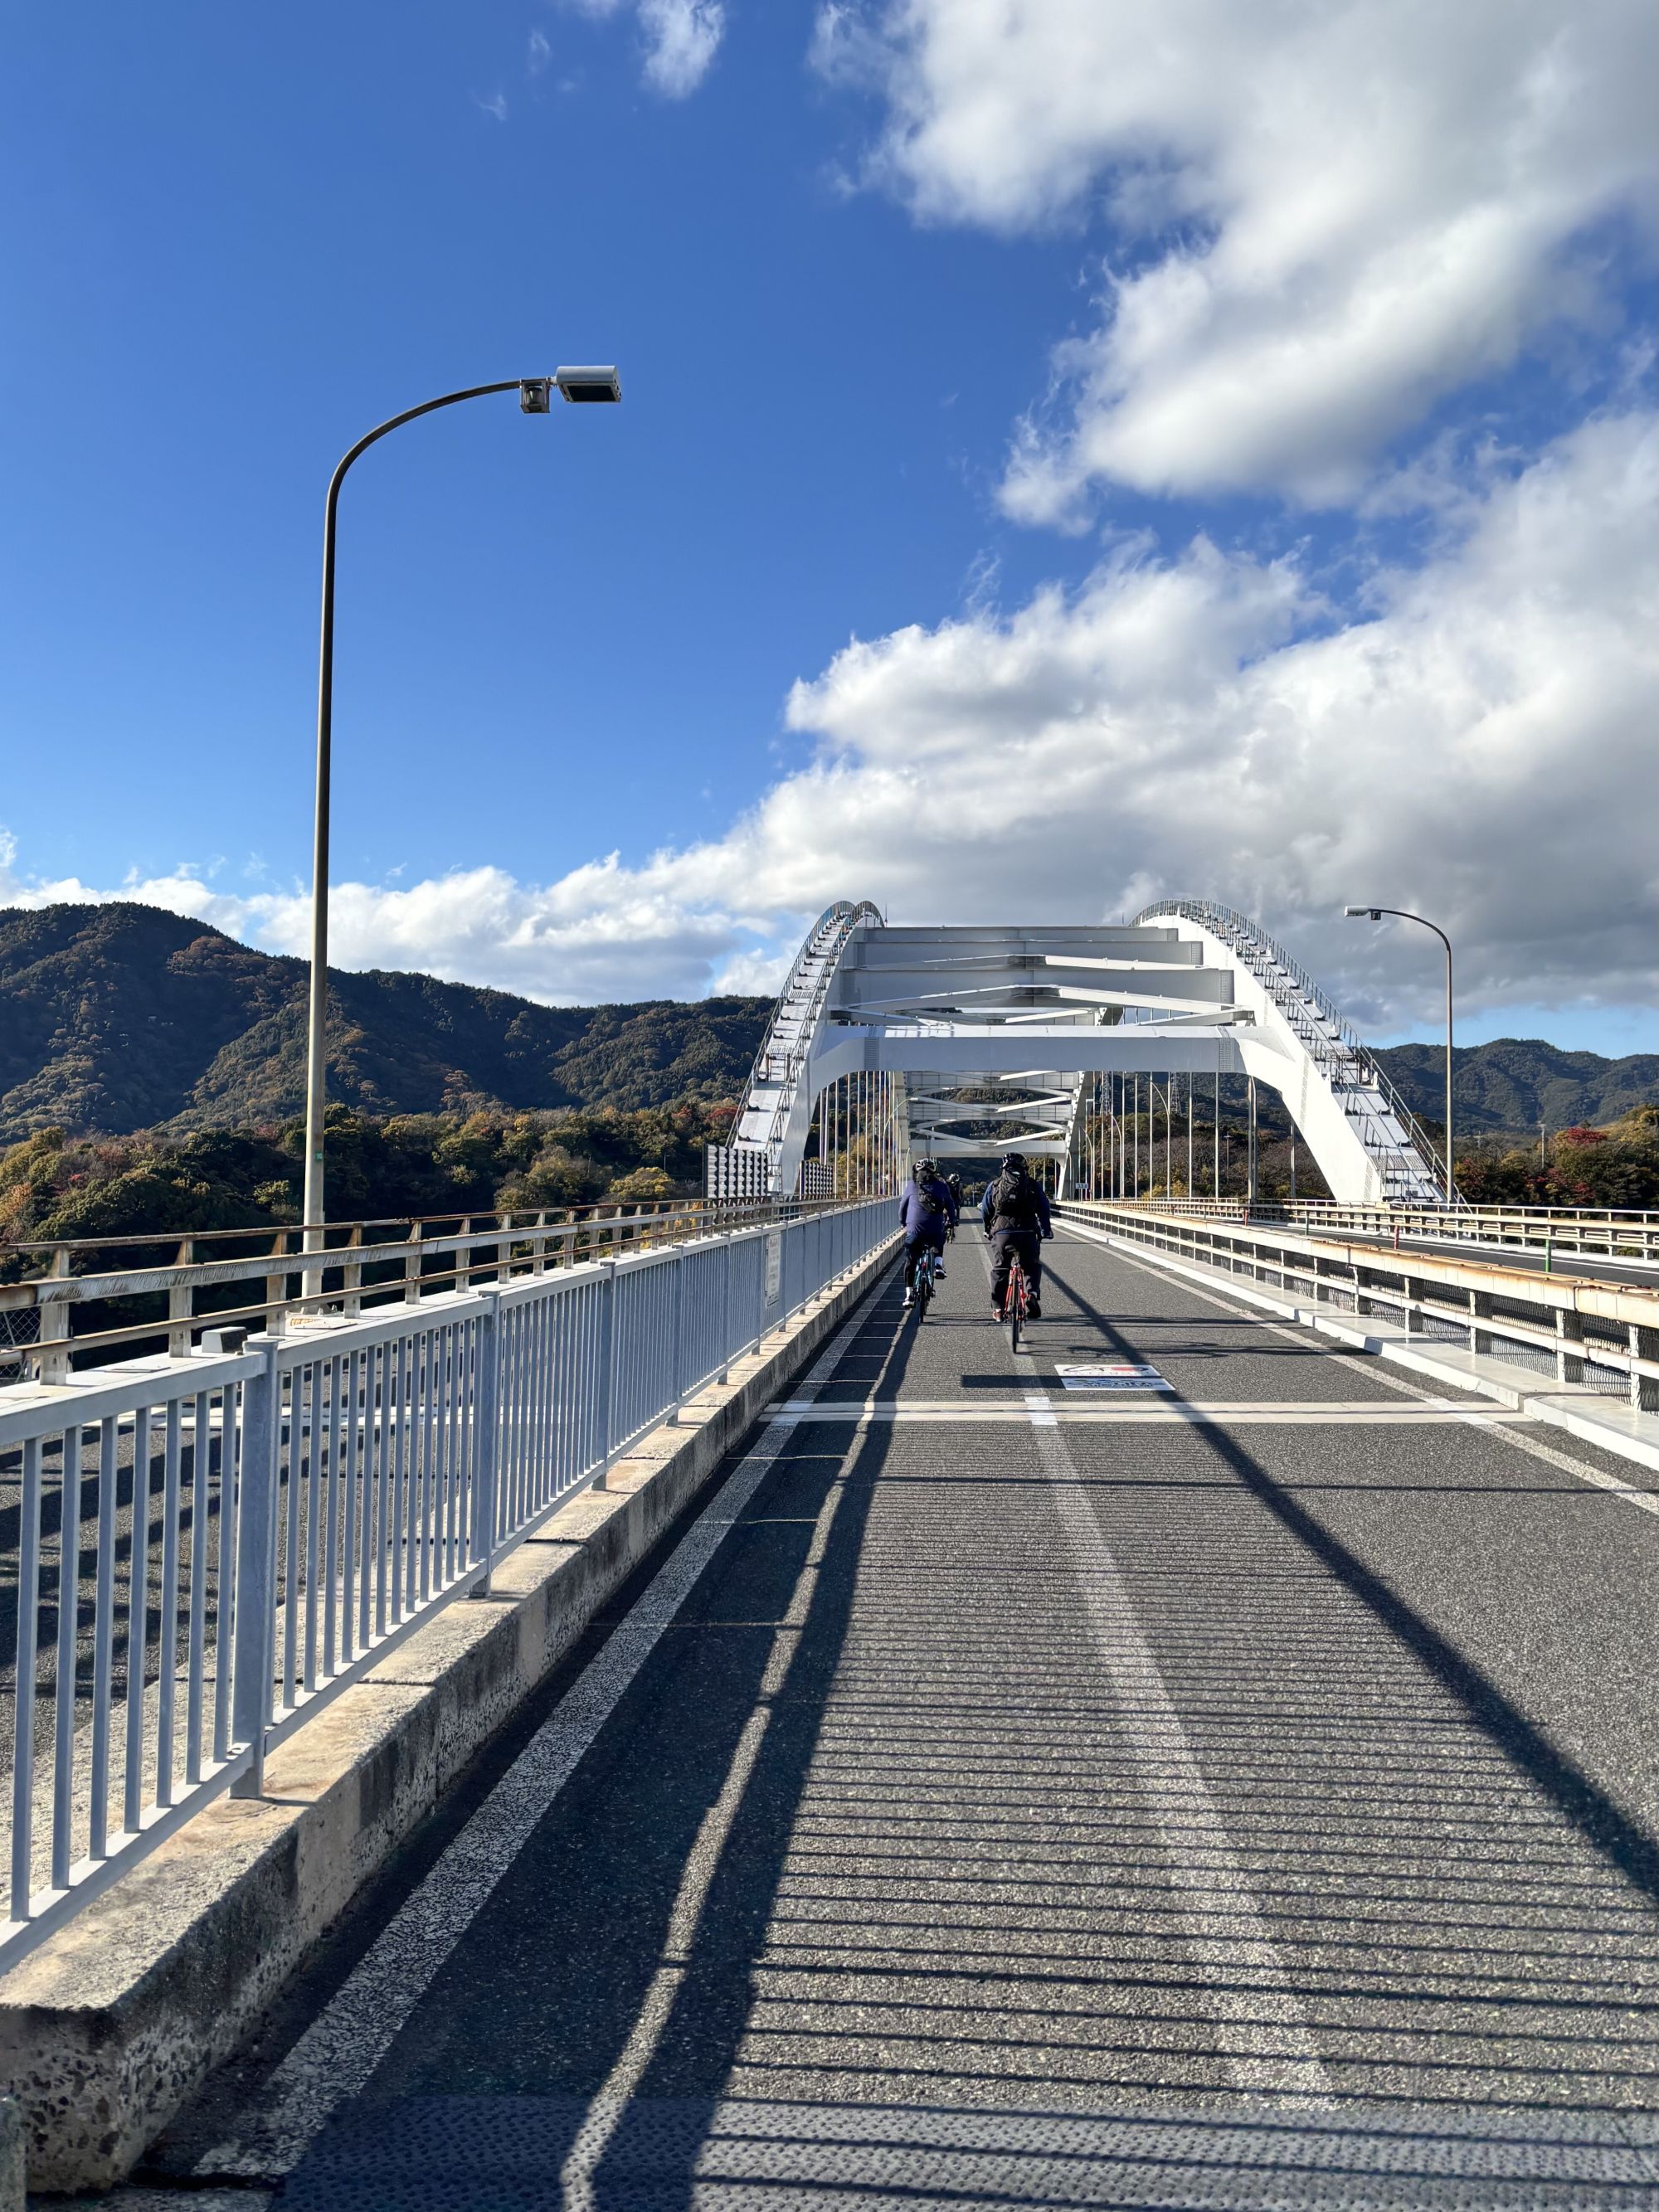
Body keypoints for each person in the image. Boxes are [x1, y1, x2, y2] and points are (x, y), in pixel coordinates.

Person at [981, 1150, 1052, 1319]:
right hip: (1028, 1231)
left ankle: (998, 1309)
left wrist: (987, 1228)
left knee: (1000, 1269)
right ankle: (1032, 1294)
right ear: (1024, 1167)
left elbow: (985, 1209)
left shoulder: (996, 1184)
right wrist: (1045, 1230)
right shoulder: (1032, 1184)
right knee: (1031, 1266)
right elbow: (1044, 1208)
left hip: (1002, 1233)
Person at [897, 1156, 958, 1307]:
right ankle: (938, 1265)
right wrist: (953, 1221)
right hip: (935, 1228)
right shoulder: (942, 1186)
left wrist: (904, 1222)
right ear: (933, 1172)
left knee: (911, 1260)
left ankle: (909, 1296)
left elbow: (902, 1207)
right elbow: (951, 1205)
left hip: (915, 1229)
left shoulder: (911, 1186)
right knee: (938, 1239)